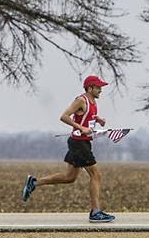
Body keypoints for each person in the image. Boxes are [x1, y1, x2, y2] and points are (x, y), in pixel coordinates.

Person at [21, 75, 115, 222]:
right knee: (96, 175)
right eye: (98, 87)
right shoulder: (81, 100)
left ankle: (34, 182)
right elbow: (64, 116)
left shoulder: (93, 102)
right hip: (79, 144)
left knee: (69, 177)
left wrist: (97, 119)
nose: (101, 90)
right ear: (90, 88)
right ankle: (95, 212)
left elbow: (85, 117)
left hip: (82, 142)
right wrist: (81, 128)